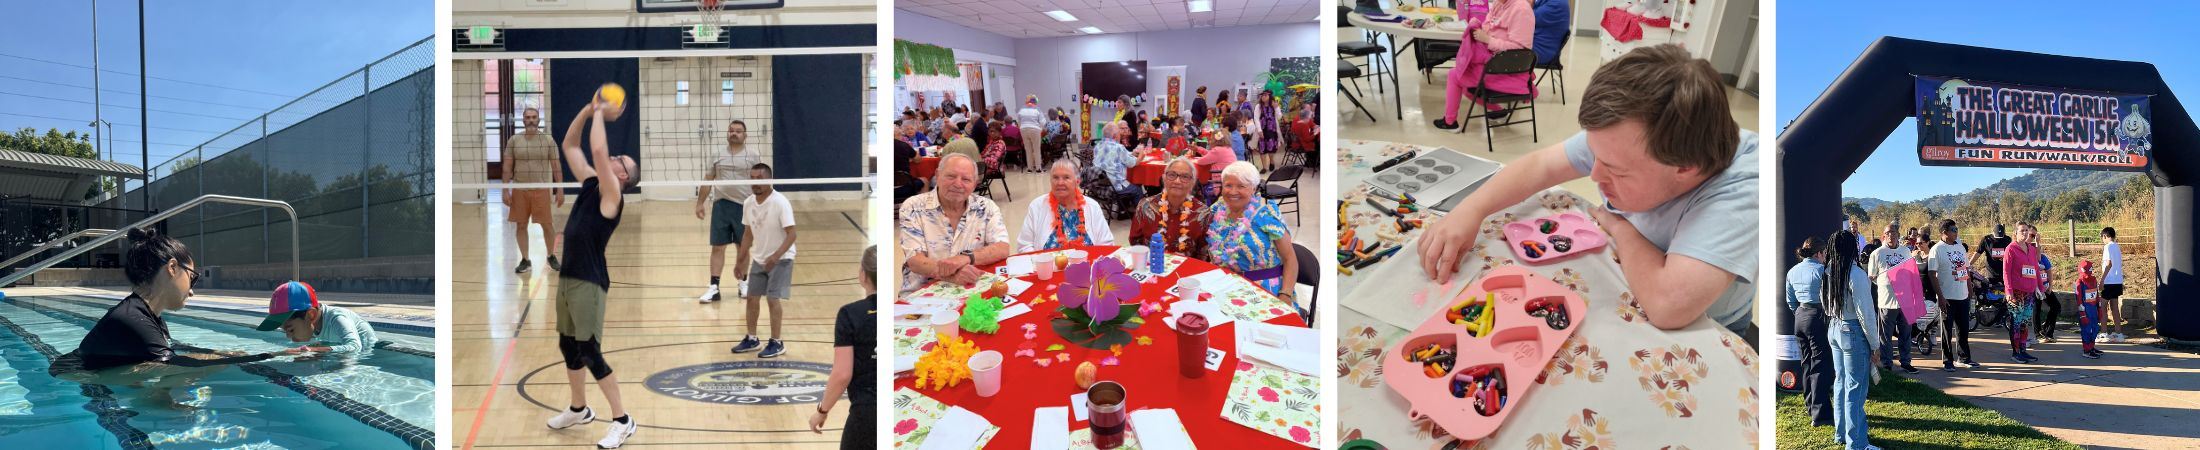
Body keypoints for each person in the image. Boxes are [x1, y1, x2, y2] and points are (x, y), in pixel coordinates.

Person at [1416, 44, 1756, 335]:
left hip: (1713, 323)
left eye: (1615, 171)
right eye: (1595, 157)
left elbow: (1668, 306)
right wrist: (1470, 209)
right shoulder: (1632, 135)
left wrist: (1621, 228)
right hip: (1635, 277)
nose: (1594, 176)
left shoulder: (1745, 189)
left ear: (1685, 168)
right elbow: (1540, 166)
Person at [543, 87, 643, 448]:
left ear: (624, 178)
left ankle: (622, 419)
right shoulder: (590, 183)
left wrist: (600, 111)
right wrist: (587, 111)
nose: (614, 158)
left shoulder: (612, 195)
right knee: (568, 346)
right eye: (617, 156)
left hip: (590, 280)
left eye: (622, 161)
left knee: (590, 350)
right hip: (568, 277)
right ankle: (579, 408)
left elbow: (598, 150)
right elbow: (570, 146)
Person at [62, 227, 295, 380]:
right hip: (71, 381)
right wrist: (269, 356)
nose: (192, 291)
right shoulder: (133, 320)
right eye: (192, 277)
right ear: (172, 268)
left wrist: (226, 353)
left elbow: (162, 362)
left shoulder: (148, 316)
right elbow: (179, 367)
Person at [896, 153, 1012, 293]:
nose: (958, 184)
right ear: (937, 175)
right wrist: (952, 274)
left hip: (973, 288)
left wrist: (966, 258)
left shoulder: (986, 207)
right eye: (951, 176)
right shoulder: (913, 207)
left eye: (966, 179)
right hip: (923, 293)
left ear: (975, 184)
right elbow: (915, 261)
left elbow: (1002, 248)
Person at [725, 163, 797, 358]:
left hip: (781, 259)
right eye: (752, 178)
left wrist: (775, 256)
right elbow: (748, 233)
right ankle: (752, 338)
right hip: (760, 258)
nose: (755, 183)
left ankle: (777, 342)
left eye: (759, 178)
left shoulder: (780, 202)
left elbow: (792, 234)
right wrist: (740, 260)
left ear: (769, 180)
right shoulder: (748, 202)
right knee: (751, 298)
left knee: (773, 299)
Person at [810, 246, 877, 449]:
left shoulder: (850, 314)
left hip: (867, 410)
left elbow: (841, 374)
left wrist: (822, 411)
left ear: (863, 275)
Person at [1433, 0, 1536, 129]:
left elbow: (1520, 50)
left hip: (1509, 71)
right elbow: (1488, 28)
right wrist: (1477, 27)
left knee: (1456, 75)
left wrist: (1488, 40)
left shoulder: (1521, 9)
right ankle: (1498, 112)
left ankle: (1449, 122)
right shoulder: (1499, 4)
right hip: (1495, 64)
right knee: (1462, 76)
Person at [1207, 161, 1299, 305]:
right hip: (1224, 286)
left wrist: (1285, 294)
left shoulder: (1266, 216)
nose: (1232, 191)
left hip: (1264, 290)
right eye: (1228, 185)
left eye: (1241, 186)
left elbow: (1290, 259)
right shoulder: (1218, 209)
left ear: (1253, 189)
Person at [1822, 230, 1881, 450]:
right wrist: (1875, 345)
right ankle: (1857, 443)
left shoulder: (1827, 270)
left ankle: (1842, 434)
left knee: (1841, 382)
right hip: (1852, 330)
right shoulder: (1856, 273)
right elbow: (1866, 312)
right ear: (1852, 248)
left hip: (1835, 327)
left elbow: (1824, 302)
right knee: (1855, 388)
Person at [697, 119, 765, 304]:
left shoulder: (752, 155)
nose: (734, 133)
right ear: (727, 133)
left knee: (742, 248)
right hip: (721, 205)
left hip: (745, 207)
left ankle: (743, 283)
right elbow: (708, 179)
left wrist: (762, 205)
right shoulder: (717, 153)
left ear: (745, 135)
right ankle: (714, 287)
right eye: (731, 130)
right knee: (717, 247)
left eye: (738, 131)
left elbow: (761, 182)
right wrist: (700, 203)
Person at [504, 107, 564, 274]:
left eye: (534, 117)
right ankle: (525, 260)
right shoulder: (514, 140)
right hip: (519, 189)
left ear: (539, 120)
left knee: (547, 225)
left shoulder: (548, 140)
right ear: (523, 120)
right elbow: (507, 167)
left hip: (541, 189)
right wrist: (504, 190)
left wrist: (560, 189)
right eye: (528, 117)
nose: (531, 120)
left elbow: (556, 166)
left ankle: (551, 256)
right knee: (521, 225)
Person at [1784, 237, 1834, 428]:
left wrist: (1798, 312)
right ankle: (1821, 414)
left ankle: (1810, 405)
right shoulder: (1823, 271)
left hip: (1800, 316)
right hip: (1817, 316)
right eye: (1824, 254)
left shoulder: (1793, 271)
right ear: (1819, 253)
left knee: (1806, 362)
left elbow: (1791, 300)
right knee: (1821, 365)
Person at [1018, 158, 1115, 252]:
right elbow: (1024, 246)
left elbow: (1106, 244)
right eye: (1055, 177)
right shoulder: (1037, 206)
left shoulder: (1092, 206)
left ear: (1077, 181)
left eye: (1066, 177)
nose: (1060, 183)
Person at [262, 281, 379, 356]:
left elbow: (354, 347)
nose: (289, 337)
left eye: (291, 330)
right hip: (344, 351)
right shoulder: (311, 323)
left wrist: (313, 351)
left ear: (311, 315)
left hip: (369, 356)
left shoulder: (337, 318)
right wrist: (275, 354)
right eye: (285, 331)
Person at [1132, 158, 1212, 258]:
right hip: (1151, 266)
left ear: (1193, 182)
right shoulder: (1145, 206)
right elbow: (1135, 242)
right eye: (1172, 175)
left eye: (1185, 177)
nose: (1177, 181)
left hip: (1186, 270)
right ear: (1164, 178)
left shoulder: (1203, 213)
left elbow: (1204, 253)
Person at [1926, 219, 1978, 371]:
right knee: (1947, 330)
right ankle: (1948, 361)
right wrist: (1940, 297)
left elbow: (1966, 269)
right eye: (1953, 229)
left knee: (1963, 329)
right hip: (1947, 297)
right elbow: (1931, 274)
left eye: (1956, 229)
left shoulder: (1960, 247)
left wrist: (1970, 289)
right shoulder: (1937, 249)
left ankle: (1963, 358)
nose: (1956, 232)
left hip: (1962, 295)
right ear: (1944, 232)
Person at [1866, 223, 1916, 373]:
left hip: (1905, 300)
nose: (1891, 236)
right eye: (1888, 233)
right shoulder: (1877, 253)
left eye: (1894, 233)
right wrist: (1883, 281)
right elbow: (1872, 276)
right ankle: (1887, 363)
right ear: (1884, 235)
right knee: (1886, 335)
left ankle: (1906, 361)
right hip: (1886, 300)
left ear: (1898, 235)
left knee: (1906, 333)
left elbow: (1911, 272)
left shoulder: (1906, 251)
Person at [2001, 222, 2043, 363]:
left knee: (2025, 322)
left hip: (2029, 292)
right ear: (2016, 233)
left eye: (2027, 231)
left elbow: (2036, 269)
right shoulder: (2010, 249)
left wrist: (2039, 287)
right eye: (2022, 231)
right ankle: (2016, 352)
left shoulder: (2031, 249)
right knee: (2016, 322)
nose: (2025, 233)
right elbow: (2006, 272)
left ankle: (2023, 350)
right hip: (2016, 292)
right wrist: (2008, 291)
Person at [1092, 122, 1141, 200]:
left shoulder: (1098, 146)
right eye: (1119, 133)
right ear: (1115, 136)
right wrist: (1142, 155)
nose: (1120, 136)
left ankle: (1123, 208)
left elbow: (1114, 154)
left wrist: (1132, 153)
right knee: (1138, 190)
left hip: (1099, 185)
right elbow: (1132, 163)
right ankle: (1136, 211)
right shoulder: (1119, 147)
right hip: (1114, 187)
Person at [2100, 226, 2127, 342]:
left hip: (2109, 281)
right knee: (2115, 308)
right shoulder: (2117, 246)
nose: (2102, 240)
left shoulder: (2107, 247)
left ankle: (2103, 333)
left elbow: (2108, 264)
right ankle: (2118, 333)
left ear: (2105, 236)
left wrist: (2102, 280)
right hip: (2117, 281)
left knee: (2103, 307)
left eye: (2102, 237)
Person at [2075, 259, 2105, 359]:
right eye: (2090, 269)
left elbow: (2096, 295)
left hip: (2093, 309)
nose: (2092, 270)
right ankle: (2086, 350)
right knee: (2087, 330)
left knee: (2095, 328)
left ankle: (2091, 347)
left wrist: (2099, 309)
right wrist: (2082, 314)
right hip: (2085, 310)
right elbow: (2078, 299)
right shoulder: (2079, 282)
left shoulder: (2093, 280)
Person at [1531, 0, 1572, 66]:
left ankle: (1521, 75)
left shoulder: (1557, 3)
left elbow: (1529, 17)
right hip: (1538, 44)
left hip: (1543, 51)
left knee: (1511, 50)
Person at [2036, 249, 2060, 344]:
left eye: (2040, 248)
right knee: (2036, 309)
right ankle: (2038, 334)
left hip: (2045, 287)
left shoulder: (2043, 257)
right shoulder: (2029, 258)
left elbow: (2049, 271)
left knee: (2056, 306)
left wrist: (2050, 286)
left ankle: (2047, 332)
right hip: (2035, 288)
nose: (2039, 250)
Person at [1254, 91, 1282, 170]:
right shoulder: (1258, 106)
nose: (1263, 97)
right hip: (1262, 130)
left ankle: (1272, 161)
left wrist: (1276, 108)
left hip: (1272, 130)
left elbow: (1279, 117)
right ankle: (1264, 167)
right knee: (1262, 149)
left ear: (1270, 97)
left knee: (1271, 148)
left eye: (1265, 95)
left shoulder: (1274, 105)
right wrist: (1259, 130)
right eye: (1262, 95)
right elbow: (1256, 119)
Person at [1019, 96, 1045, 174]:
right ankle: (1038, 169)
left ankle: (1029, 169)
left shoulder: (1021, 109)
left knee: (1028, 149)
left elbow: (1018, 121)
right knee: (1036, 149)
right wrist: (1040, 128)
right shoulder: (1037, 109)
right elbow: (1043, 121)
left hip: (1023, 129)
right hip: (1035, 130)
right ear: (1035, 102)